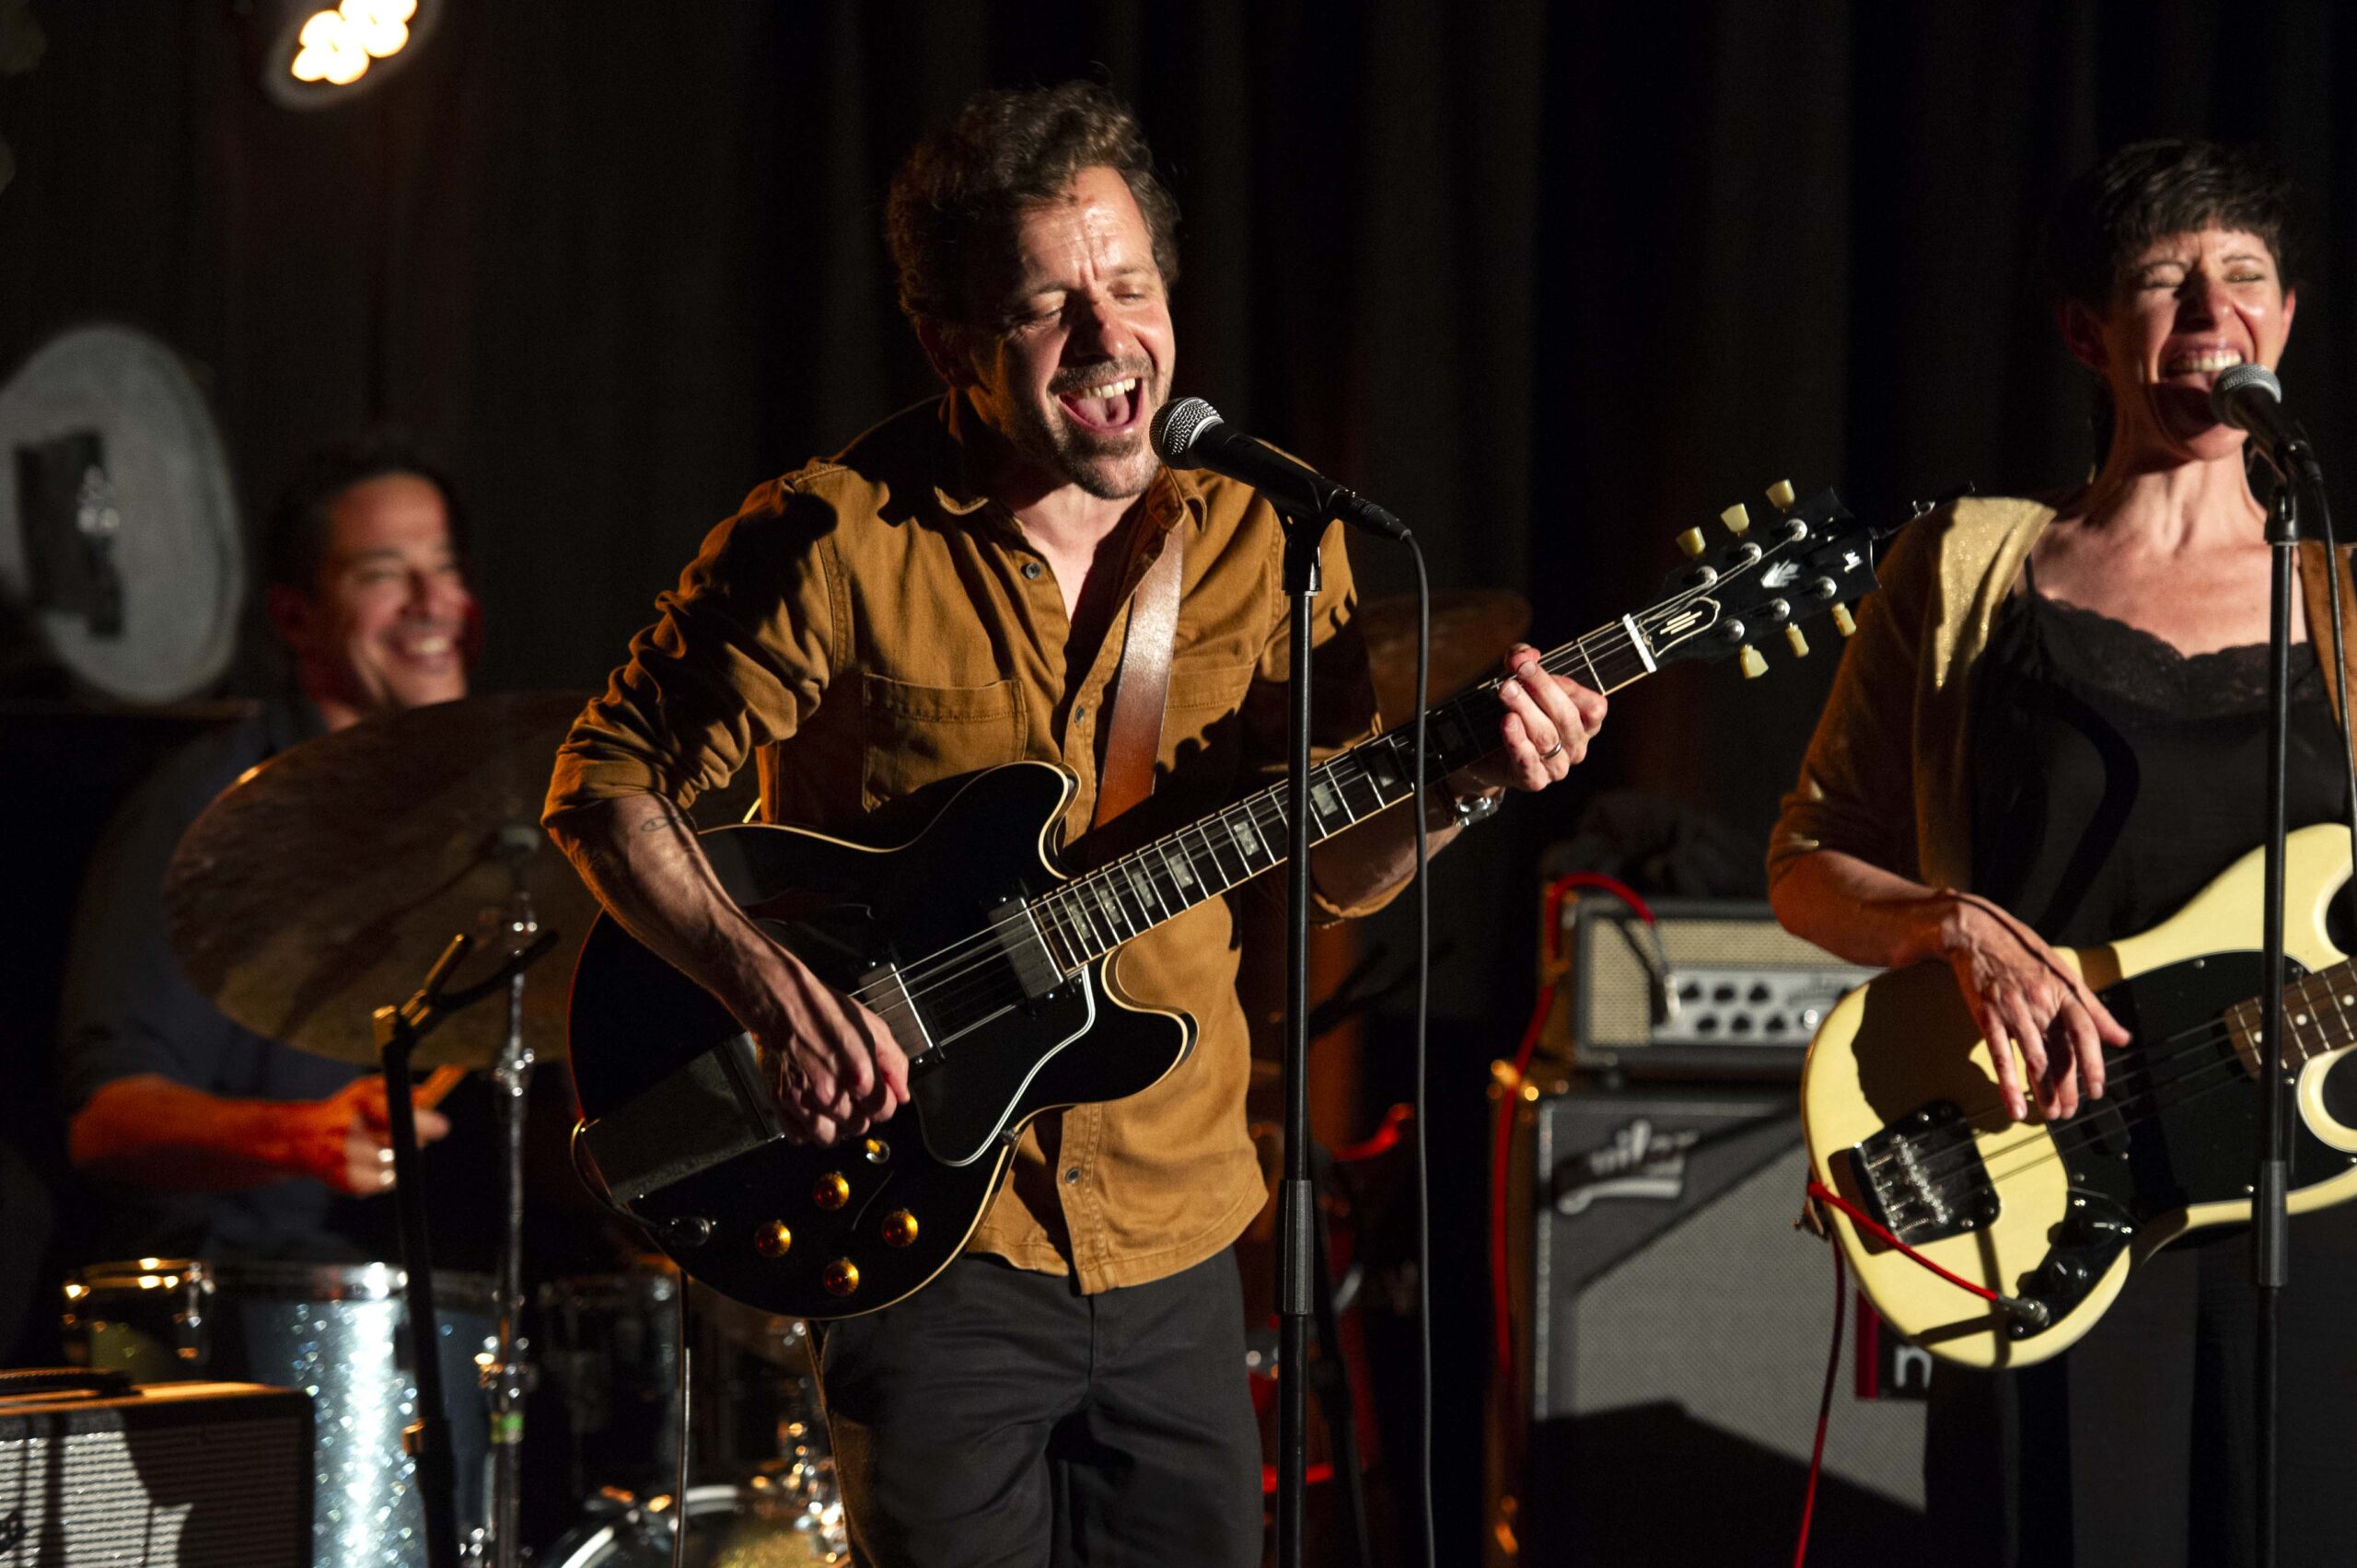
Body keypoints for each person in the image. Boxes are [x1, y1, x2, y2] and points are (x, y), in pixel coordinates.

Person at [543, 81, 1603, 1567]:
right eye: (1049, 305)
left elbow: (1332, 867)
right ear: (949, 344)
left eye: (1132, 286)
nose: (1111, 339)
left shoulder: (1266, 537)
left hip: (1180, 1234)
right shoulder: (835, 537)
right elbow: (603, 779)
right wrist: (770, 987)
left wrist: (1468, 782)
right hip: (934, 1239)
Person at [1770, 138, 2357, 1566]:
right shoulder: (1964, 567)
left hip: (2321, 1209)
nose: (2212, 311)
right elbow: (1807, 856)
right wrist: (1951, 923)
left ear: (2285, 320)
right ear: (2089, 333)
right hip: (2052, 1181)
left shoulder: (2345, 602)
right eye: (2165, 279)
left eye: (2246, 276)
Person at [56, 435, 473, 1260]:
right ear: (295, 618)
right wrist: (300, 1137)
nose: (433, 602)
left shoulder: (479, 810)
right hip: (232, 1299)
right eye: (384, 573)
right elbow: (105, 1121)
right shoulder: (209, 810)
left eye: (446, 566)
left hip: (437, 1290)